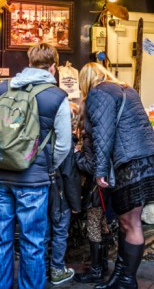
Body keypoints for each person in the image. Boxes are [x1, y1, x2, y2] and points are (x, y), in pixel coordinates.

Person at [0, 43, 71, 289]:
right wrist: (45, 165)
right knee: (33, 242)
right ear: (53, 67)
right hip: (32, 180)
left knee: (0, 238)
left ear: (29, 63)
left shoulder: (2, 88)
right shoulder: (57, 97)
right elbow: (64, 144)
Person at [78, 62, 154, 288]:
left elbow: (103, 135)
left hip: (128, 166)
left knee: (130, 224)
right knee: (126, 223)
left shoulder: (98, 92)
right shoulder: (126, 89)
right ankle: (120, 277)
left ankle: (127, 280)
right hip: (144, 162)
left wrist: (100, 172)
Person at [74, 101, 112, 284]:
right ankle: (102, 264)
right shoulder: (102, 133)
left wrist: (76, 154)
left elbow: (90, 166)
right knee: (103, 224)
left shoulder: (89, 137)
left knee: (94, 226)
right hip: (107, 187)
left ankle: (96, 270)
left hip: (96, 190)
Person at [46, 102, 81, 285]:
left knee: (43, 233)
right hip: (60, 198)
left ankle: (42, 269)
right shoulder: (66, 144)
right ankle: (57, 270)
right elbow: (70, 176)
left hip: (42, 194)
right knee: (60, 232)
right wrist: (76, 204)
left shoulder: (43, 136)